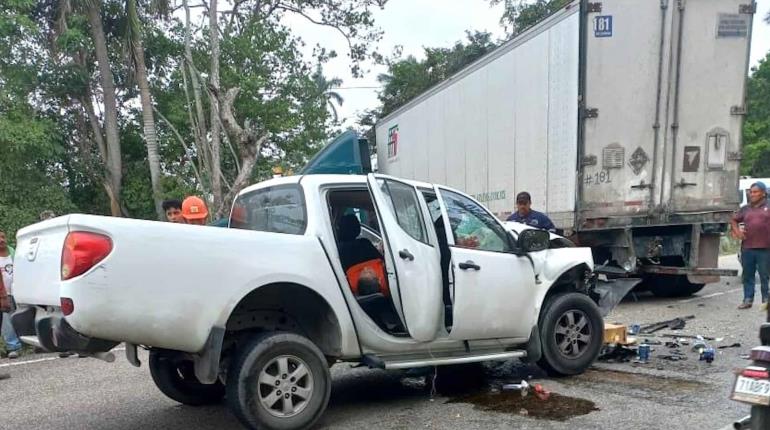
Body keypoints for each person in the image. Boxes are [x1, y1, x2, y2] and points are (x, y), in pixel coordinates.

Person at [731, 181, 770, 310]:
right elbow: (734, 220)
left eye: (755, 192)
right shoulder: (746, 209)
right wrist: (737, 232)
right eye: (751, 192)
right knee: (748, 274)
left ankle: (766, 301)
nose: (751, 194)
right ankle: (748, 300)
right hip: (748, 247)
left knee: (764, 275)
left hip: (765, 248)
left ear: (763, 194)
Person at [0, 230, 21, 359]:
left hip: (18, 291)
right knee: (7, 322)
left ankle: (35, 342)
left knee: (22, 317)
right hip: (4, 294)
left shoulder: (13, 252)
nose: (1, 240)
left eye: (3, 237)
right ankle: (13, 347)